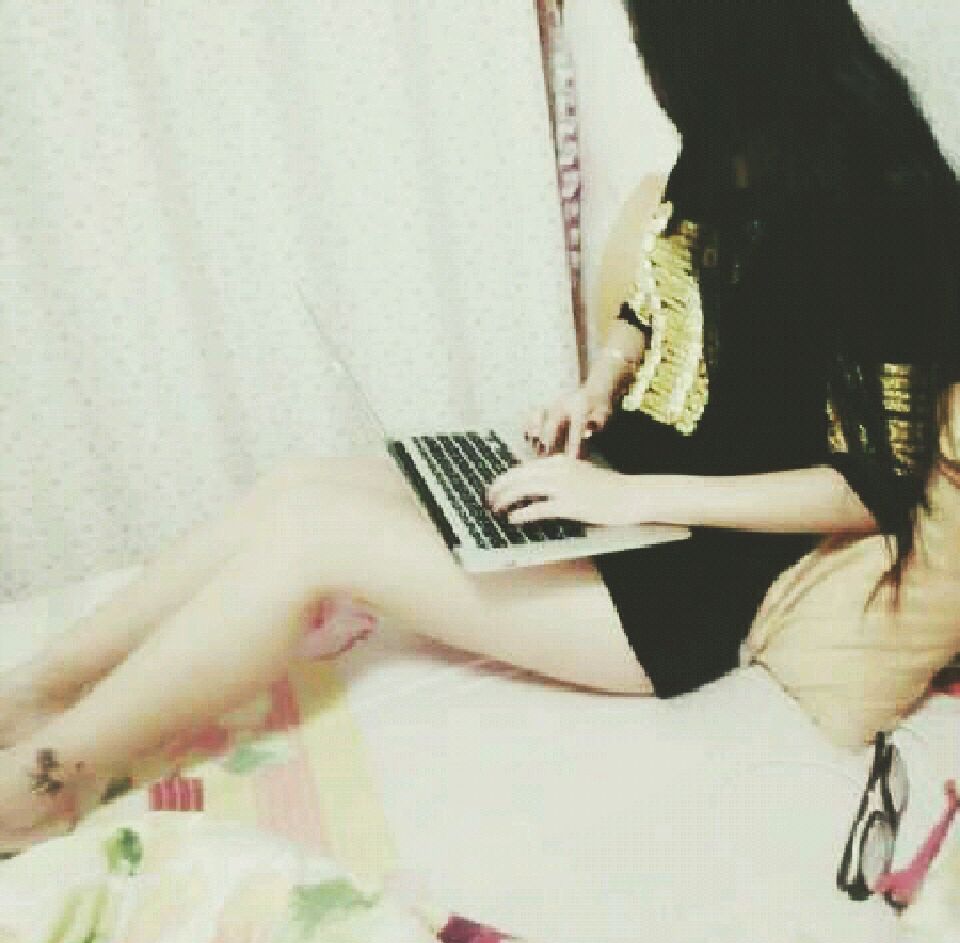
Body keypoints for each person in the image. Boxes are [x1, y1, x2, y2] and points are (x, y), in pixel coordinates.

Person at [1, 0, 957, 847]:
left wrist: (632, 497)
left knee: (315, 543)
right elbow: (658, 302)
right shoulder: (730, 145)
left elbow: (869, 489)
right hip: (614, 493)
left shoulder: (880, 208)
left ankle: (45, 786)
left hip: (686, 589)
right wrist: (599, 385)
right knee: (300, 487)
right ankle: (39, 690)